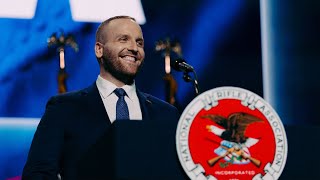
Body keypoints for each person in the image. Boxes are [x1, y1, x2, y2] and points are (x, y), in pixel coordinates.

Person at [22, 16, 185, 180]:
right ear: (99, 49)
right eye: (123, 39)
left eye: (139, 43)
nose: (134, 48)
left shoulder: (166, 114)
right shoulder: (63, 108)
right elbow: (37, 174)